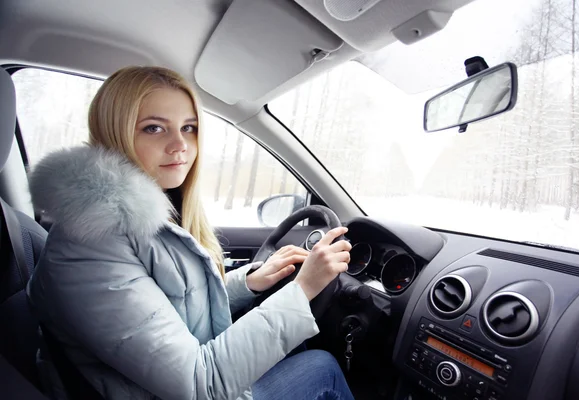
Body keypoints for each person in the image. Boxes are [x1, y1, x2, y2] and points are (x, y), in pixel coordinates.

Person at [26, 66, 355, 400]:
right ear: (115, 132)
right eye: (153, 128)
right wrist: (304, 288)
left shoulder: (125, 224)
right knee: (321, 367)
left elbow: (167, 307)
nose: (179, 144)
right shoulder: (90, 247)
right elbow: (201, 385)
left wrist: (249, 282)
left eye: (189, 128)